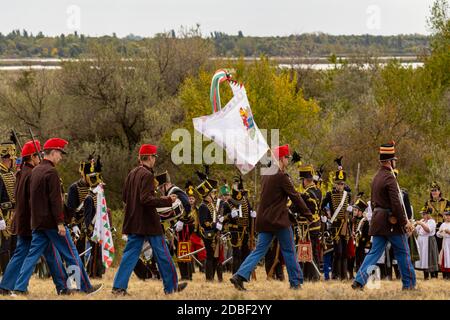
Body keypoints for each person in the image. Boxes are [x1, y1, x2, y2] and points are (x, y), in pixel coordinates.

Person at [13, 138, 102, 295]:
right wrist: (60, 223)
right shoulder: (51, 172)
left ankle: (19, 288)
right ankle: (85, 287)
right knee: (71, 254)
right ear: (53, 153)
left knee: (31, 257)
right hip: (53, 224)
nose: (61, 157)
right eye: (60, 153)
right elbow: (55, 200)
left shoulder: (36, 171)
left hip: (37, 223)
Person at [230, 144, 312, 290]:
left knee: (259, 250)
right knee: (289, 250)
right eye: (287, 157)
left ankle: (239, 275)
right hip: (279, 220)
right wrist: (308, 215)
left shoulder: (266, 174)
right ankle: (296, 282)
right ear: (281, 158)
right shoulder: (281, 176)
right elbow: (295, 197)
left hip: (264, 220)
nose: (288, 160)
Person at [112, 144, 187, 295]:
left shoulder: (132, 173)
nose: (154, 160)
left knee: (129, 255)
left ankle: (118, 287)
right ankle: (171, 287)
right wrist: (167, 200)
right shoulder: (147, 175)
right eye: (154, 157)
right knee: (163, 254)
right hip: (149, 223)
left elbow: (125, 197)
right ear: (150, 157)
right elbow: (146, 199)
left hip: (133, 221)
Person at [0, 141, 70, 295]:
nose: (40, 158)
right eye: (38, 155)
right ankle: (63, 287)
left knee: (25, 254)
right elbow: (37, 201)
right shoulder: (33, 173)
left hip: (25, 222)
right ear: (32, 157)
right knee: (51, 253)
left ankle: (6, 286)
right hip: (34, 222)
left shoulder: (21, 172)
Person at [352, 141, 416, 290]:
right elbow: (396, 203)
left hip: (378, 220)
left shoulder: (376, 177)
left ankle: (359, 281)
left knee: (373, 253)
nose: (395, 163)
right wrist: (404, 222)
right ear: (389, 161)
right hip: (391, 222)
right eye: (394, 160)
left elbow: (375, 202)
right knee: (403, 252)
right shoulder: (390, 178)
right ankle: (409, 284)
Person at [67, 154, 106, 278]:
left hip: (93, 223)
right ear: (83, 175)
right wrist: (73, 225)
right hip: (78, 224)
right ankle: (77, 276)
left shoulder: (97, 187)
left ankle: (95, 273)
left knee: (96, 249)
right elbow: (70, 209)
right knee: (78, 250)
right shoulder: (74, 188)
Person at [155, 171, 192, 280]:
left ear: (166, 185)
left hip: (183, 225)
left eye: (161, 188)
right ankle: (185, 275)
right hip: (177, 226)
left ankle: (186, 276)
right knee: (179, 250)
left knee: (183, 250)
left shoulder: (175, 191)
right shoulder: (170, 192)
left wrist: (181, 220)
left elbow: (187, 205)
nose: (161, 191)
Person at [321, 157, 352, 280]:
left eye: (342, 184)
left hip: (345, 226)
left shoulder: (347, 195)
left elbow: (349, 209)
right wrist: (326, 214)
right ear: (335, 183)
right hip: (335, 226)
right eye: (338, 184)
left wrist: (350, 211)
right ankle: (335, 275)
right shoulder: (330, 194)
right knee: (338, 252)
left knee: (344, 253)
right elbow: (321, 206)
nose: (340, 186)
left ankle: (344, 276)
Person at [197, 172, 224, 282]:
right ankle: (209, 278)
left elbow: (214, 217)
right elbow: (204, 222)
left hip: (215, 232)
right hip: (208, 234)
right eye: (211, 194)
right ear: (206, 195)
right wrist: (214, 224)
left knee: (215, 257)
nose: (213, 195)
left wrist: (219, 221)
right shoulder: (203, 206)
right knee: (210, 256)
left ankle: (212, 277)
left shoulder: (211, 205)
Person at [0, 141, 17, 273]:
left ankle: (9, 280)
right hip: (3, 218)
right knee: (4, 249)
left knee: (11, 248)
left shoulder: (10, 173)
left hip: (11, 218)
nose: (13, 161)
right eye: (12, 158)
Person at [414, 210, 439, 279]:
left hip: (428, 240)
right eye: (422, 214)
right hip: (421, 240)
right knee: (423, 258)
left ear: (428, 214)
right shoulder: (422, 220)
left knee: (430, 257)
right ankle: (426, 275)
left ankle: (433, 275)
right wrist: (413, 226)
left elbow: (428, 230)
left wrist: (421, 224)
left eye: (424, 214)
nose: (422, 216)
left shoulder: (432, 221)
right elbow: (416, 231)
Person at [436, 208, 450, 280]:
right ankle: (445, 274)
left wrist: (449, 232)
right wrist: (440, 232)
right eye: (446, 215)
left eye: (449, 215)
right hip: (445, 242)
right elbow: (438, 234)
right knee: (445, 257)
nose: (448, 217)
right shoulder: (443, 224)